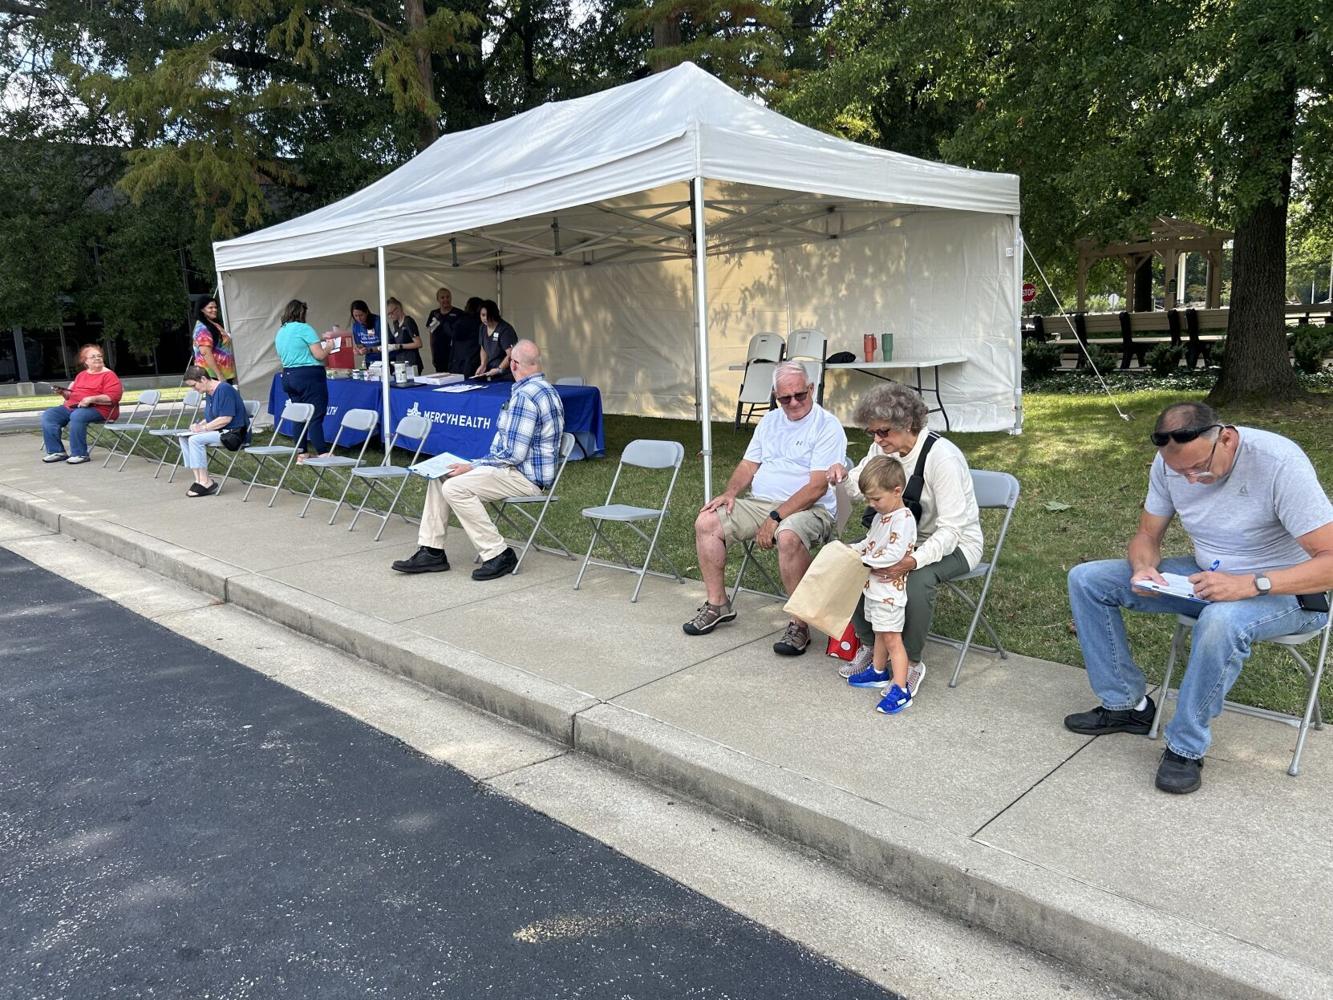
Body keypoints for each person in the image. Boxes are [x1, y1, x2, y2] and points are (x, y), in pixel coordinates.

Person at [1065, 402, 1333, 795]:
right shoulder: (1170, 465)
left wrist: (1249, 585)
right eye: (1180, 472)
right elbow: (1147, 535)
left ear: (1226, 439)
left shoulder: (1278, 463)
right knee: (1087, 580)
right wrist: (1143, 567)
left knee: (1220, 620)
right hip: (1209, 575)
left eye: (1198, 468)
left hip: (1289, 592)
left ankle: (1185, 748)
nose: (1191, 480)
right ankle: (1126, 707)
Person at [682, 361, 848, 655]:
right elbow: (748, 465)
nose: (793, 402)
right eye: (785, 398)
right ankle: (718, 604)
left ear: (811, 389)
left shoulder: (827, 425)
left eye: (800, 395)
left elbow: (816, 488)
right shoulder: (769, 421)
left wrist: (775, 518)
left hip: (812, 508)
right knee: (707, 521)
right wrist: (730, 492)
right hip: (761, 503)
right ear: (775, 396)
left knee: (788, 535)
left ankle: (799, 623)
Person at [828, 383, 983, 694]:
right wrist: (843, 477)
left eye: (883, 431)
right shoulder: (882, 448)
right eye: (872, 432)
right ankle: (872, 648)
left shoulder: (942, 457)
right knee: (854, 563)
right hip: (898, 534)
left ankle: (910, 662)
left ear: (908, 423)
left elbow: (952, 530)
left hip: (954, 543)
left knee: (917, 579)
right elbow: (860, 487)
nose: (877, 439)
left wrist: (911, 561)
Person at [391, 339, 564, 581]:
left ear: (514, 364)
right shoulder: (545, 389)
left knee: (454, 487)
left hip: (524, 477)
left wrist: (472, 465)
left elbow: (513, 455)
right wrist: (474, 465)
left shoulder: (526, 396)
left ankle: (498, 553)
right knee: (441, 475)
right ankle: (431, 550)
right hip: (513, 470)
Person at [845, 456, 918, 714]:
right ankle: (877, 671)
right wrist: (852, 550)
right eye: (868, 499)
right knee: (879, 632)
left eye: (876, 499)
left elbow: (894, 554)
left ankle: (901, 688)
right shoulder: (882, 516)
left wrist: (864, 561)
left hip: (889, 594)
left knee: (892, 639)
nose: (871, 504)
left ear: (897, 491)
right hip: (875, 589)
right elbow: (870, 542)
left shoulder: (903, 519)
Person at [40, 344, 123, 465]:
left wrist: (91, 399)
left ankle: (80, 454)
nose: (97, 358)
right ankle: (57, 451)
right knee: (49, 415)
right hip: (75, 406)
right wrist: (63, 393)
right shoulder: (82, 375)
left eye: (99, 356)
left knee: (78, 415)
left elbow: (113, 397)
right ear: (85, 361)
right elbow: (72, 395)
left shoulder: (109, 375)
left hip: (101, 409)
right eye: (93, 357)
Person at [273, 299, 335, 460]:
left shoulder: (281, 332)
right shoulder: (304, 328)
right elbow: (319, 355)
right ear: (301, 313)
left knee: (299, 415)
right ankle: (322, 452)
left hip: (288, 375)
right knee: (315, 414)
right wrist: (329, 346)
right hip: (309, 376)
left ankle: (302, 453)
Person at [176, 365, 248, 496]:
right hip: (221, 431)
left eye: (194, 385)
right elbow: (212, 418)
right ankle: (198, 479)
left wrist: (203, 428)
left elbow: (225, 418)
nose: (193, 389)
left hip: (233, 434)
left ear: (203, 379)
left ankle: (206, 482)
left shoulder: (224, 389)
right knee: (183, 437)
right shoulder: (209, 392)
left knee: (195, 440)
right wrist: (198, 425)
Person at [426, 287, 473, 375]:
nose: (445, 300)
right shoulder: (434, 314)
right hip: (439, 353)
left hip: (454, 354)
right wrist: (433, 354)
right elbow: (431, 335)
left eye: (448, 297)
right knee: (441, 377)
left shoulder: (459, 313)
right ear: (438, 299)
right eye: (442, 297)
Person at [191, 298, 236, 382]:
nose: (214, 310)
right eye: (210, 307)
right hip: (212, 375)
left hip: (224, 373)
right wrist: (219, 375)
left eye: (215, 307)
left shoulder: (213, 324)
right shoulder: (202, 328)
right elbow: (205, 352)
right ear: (202, 310)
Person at [473, 300, 518, 382]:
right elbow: (483, 348)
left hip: (506, 373)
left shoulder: (505, 329)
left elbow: (511, 354)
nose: (485, 318)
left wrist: (499, 369)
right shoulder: (482, 328)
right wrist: (483, 365)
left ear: (494, 314)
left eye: (488, 315)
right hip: (491, 372)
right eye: (483, 315)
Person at [384, 297, 423, 371]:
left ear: (398, 309)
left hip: (411, 361)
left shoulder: (408, 322)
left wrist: (399, 346)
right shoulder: (395, 323)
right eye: (388, 314)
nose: (390, 316)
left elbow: (418, 344)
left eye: (391, 313)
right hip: (400, 362)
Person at [349, 300, 382, 364]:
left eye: (361, 315)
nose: (359, 318)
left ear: (366, 312)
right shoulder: (356, 326)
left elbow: (388, 344)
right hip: (370, 360)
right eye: (356, 316)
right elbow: (360, 345)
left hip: (385, 358)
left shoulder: (378, 321)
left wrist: (370, 350)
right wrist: (359, 351)